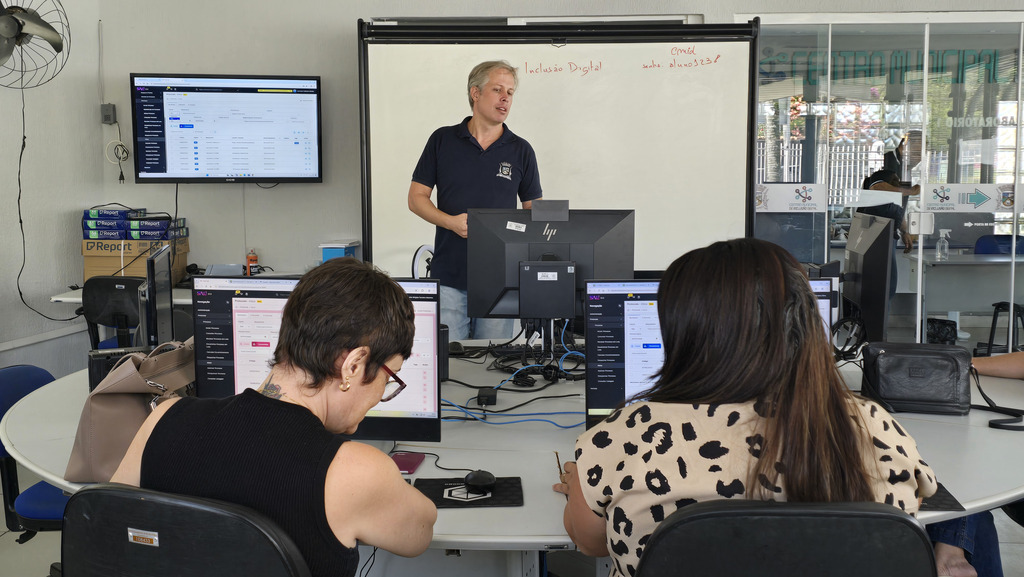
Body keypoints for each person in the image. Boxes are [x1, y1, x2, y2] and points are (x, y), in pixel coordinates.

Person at [552, 238, 938, 577]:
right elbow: (902, 516)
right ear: (804, 324)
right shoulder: (870, 427)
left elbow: (591, 544)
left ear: (682, 331)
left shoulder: (624, 436)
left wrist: (580, 487)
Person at [112, 257, 437, 577]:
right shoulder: (356, 471)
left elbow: (106, 528)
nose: (382, 394)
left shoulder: (164, 418)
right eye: (388, 376)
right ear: (353, 365)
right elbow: (420, 533)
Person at [408, 60, 543, 341]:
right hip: (449, 277)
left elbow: (534, 212)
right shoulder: (442, 140)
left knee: (493, 363)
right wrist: (451, 222)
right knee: (452, 362)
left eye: (511, 92)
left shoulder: (521, 150)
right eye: (497, 89)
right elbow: (416, 198)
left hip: (499, 281)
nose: (506, 98)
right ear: (476, 93)